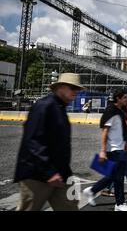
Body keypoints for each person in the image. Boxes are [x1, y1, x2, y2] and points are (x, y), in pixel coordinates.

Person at [14, 73, 83, 211]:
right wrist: (49, 172)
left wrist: (65, 172)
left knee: (70, 206)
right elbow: (33, 141)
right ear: (61, 88)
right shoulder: (44, 106)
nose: (76, 92)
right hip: (37, 175)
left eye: (77, 89)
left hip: (60, 174)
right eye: (72, 88)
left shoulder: (60, 108)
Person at [83, 89, 127, 211]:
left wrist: (125, 142)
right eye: (125, 97)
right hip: (113, 149)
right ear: (118, 98)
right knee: (118, 176)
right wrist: (102, 150)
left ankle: (92, 190)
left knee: (115, 175)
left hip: (120, 147)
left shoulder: (120, 111)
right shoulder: (111, 111)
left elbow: (120, 129)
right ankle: (119, 203)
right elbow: (105, 131)